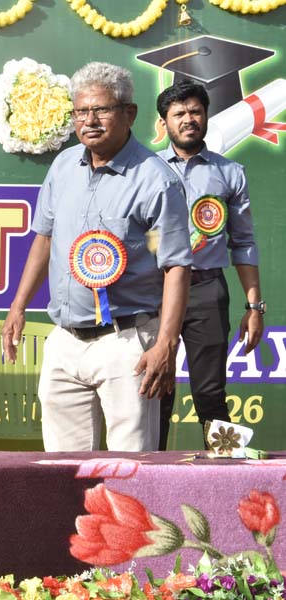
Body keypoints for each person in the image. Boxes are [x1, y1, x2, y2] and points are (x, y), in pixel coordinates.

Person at [0, 62, 193, 452]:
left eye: (101, 110)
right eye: (80, 112)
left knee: (131, 467)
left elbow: (176, 266)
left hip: (126, 342)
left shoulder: (157, 180)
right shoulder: (63, 166)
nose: (89, 121)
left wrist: (165, 344)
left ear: (129, 113)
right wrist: (18, 306)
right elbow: (44, 238)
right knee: (63, 469)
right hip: (64, 339)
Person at [155, 80, 263, 449]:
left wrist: (254, 307)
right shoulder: (147, 170)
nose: (188, 119)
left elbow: (243, 243)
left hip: (206, 290)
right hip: (154, 292)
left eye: (195, 112)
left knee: (211, 394)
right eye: (179, 113)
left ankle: (225, 472)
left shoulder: (230, 172)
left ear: (206, 116)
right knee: (154, 393)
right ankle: (145, 474)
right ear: (164, 123)